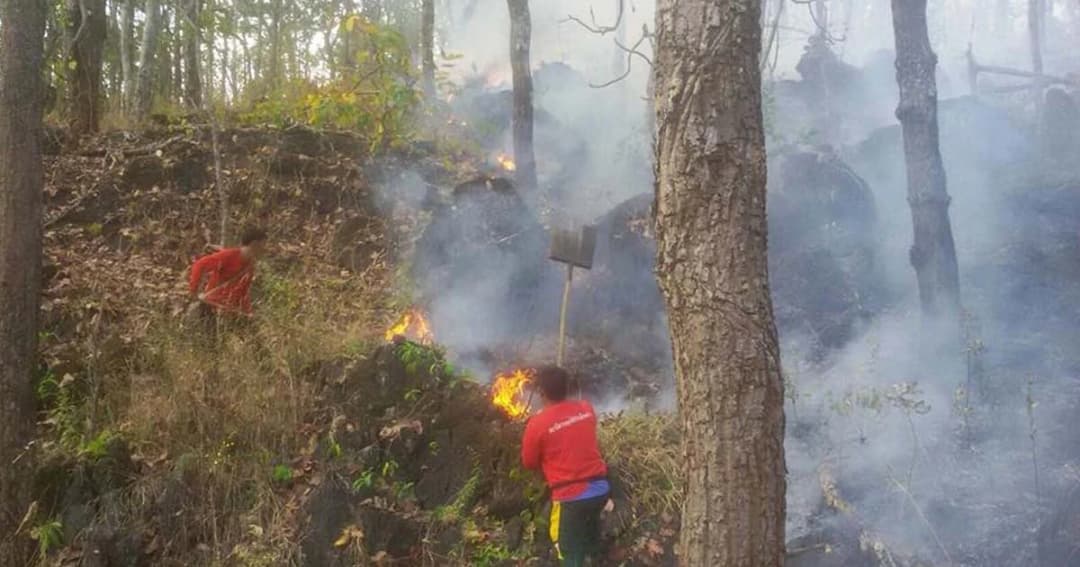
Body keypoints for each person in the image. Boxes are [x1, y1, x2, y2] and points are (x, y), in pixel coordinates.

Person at [521, 366, 611, 566]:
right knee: (590, 544)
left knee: (568, 553)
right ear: (568, 388)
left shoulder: (537, 424)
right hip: (601, 489)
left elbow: (529, 462)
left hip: (571, 497)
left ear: (541, 392)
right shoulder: (586, 409)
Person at [188, 227, 267, 320]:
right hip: (210, 308)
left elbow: (243, 292)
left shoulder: (250, 266)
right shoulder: (229, 255)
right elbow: (199, 265)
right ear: (254, 244)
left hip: (227, 313)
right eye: (264, 245)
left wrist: (248, 312)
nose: (265, 249)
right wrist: (193, 291)